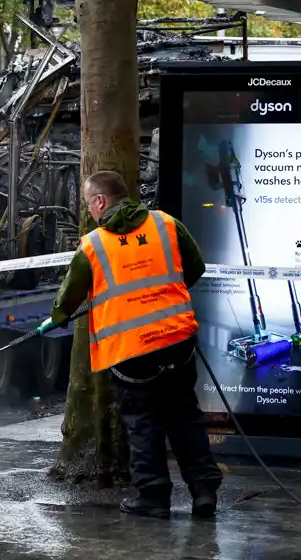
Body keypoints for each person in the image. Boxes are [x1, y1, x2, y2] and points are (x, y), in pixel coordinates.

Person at [50, 170, 222, 519]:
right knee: (184, 415)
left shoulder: (93, 244)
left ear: (100, 200)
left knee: (143, 422)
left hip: (130, 351)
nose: (90, 210)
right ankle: (204, 492)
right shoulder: (166, 224)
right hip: (177, 340)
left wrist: (58, 317)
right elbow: (196, 266)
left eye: (88, 202)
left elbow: (68, 297)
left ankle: (154, 497)